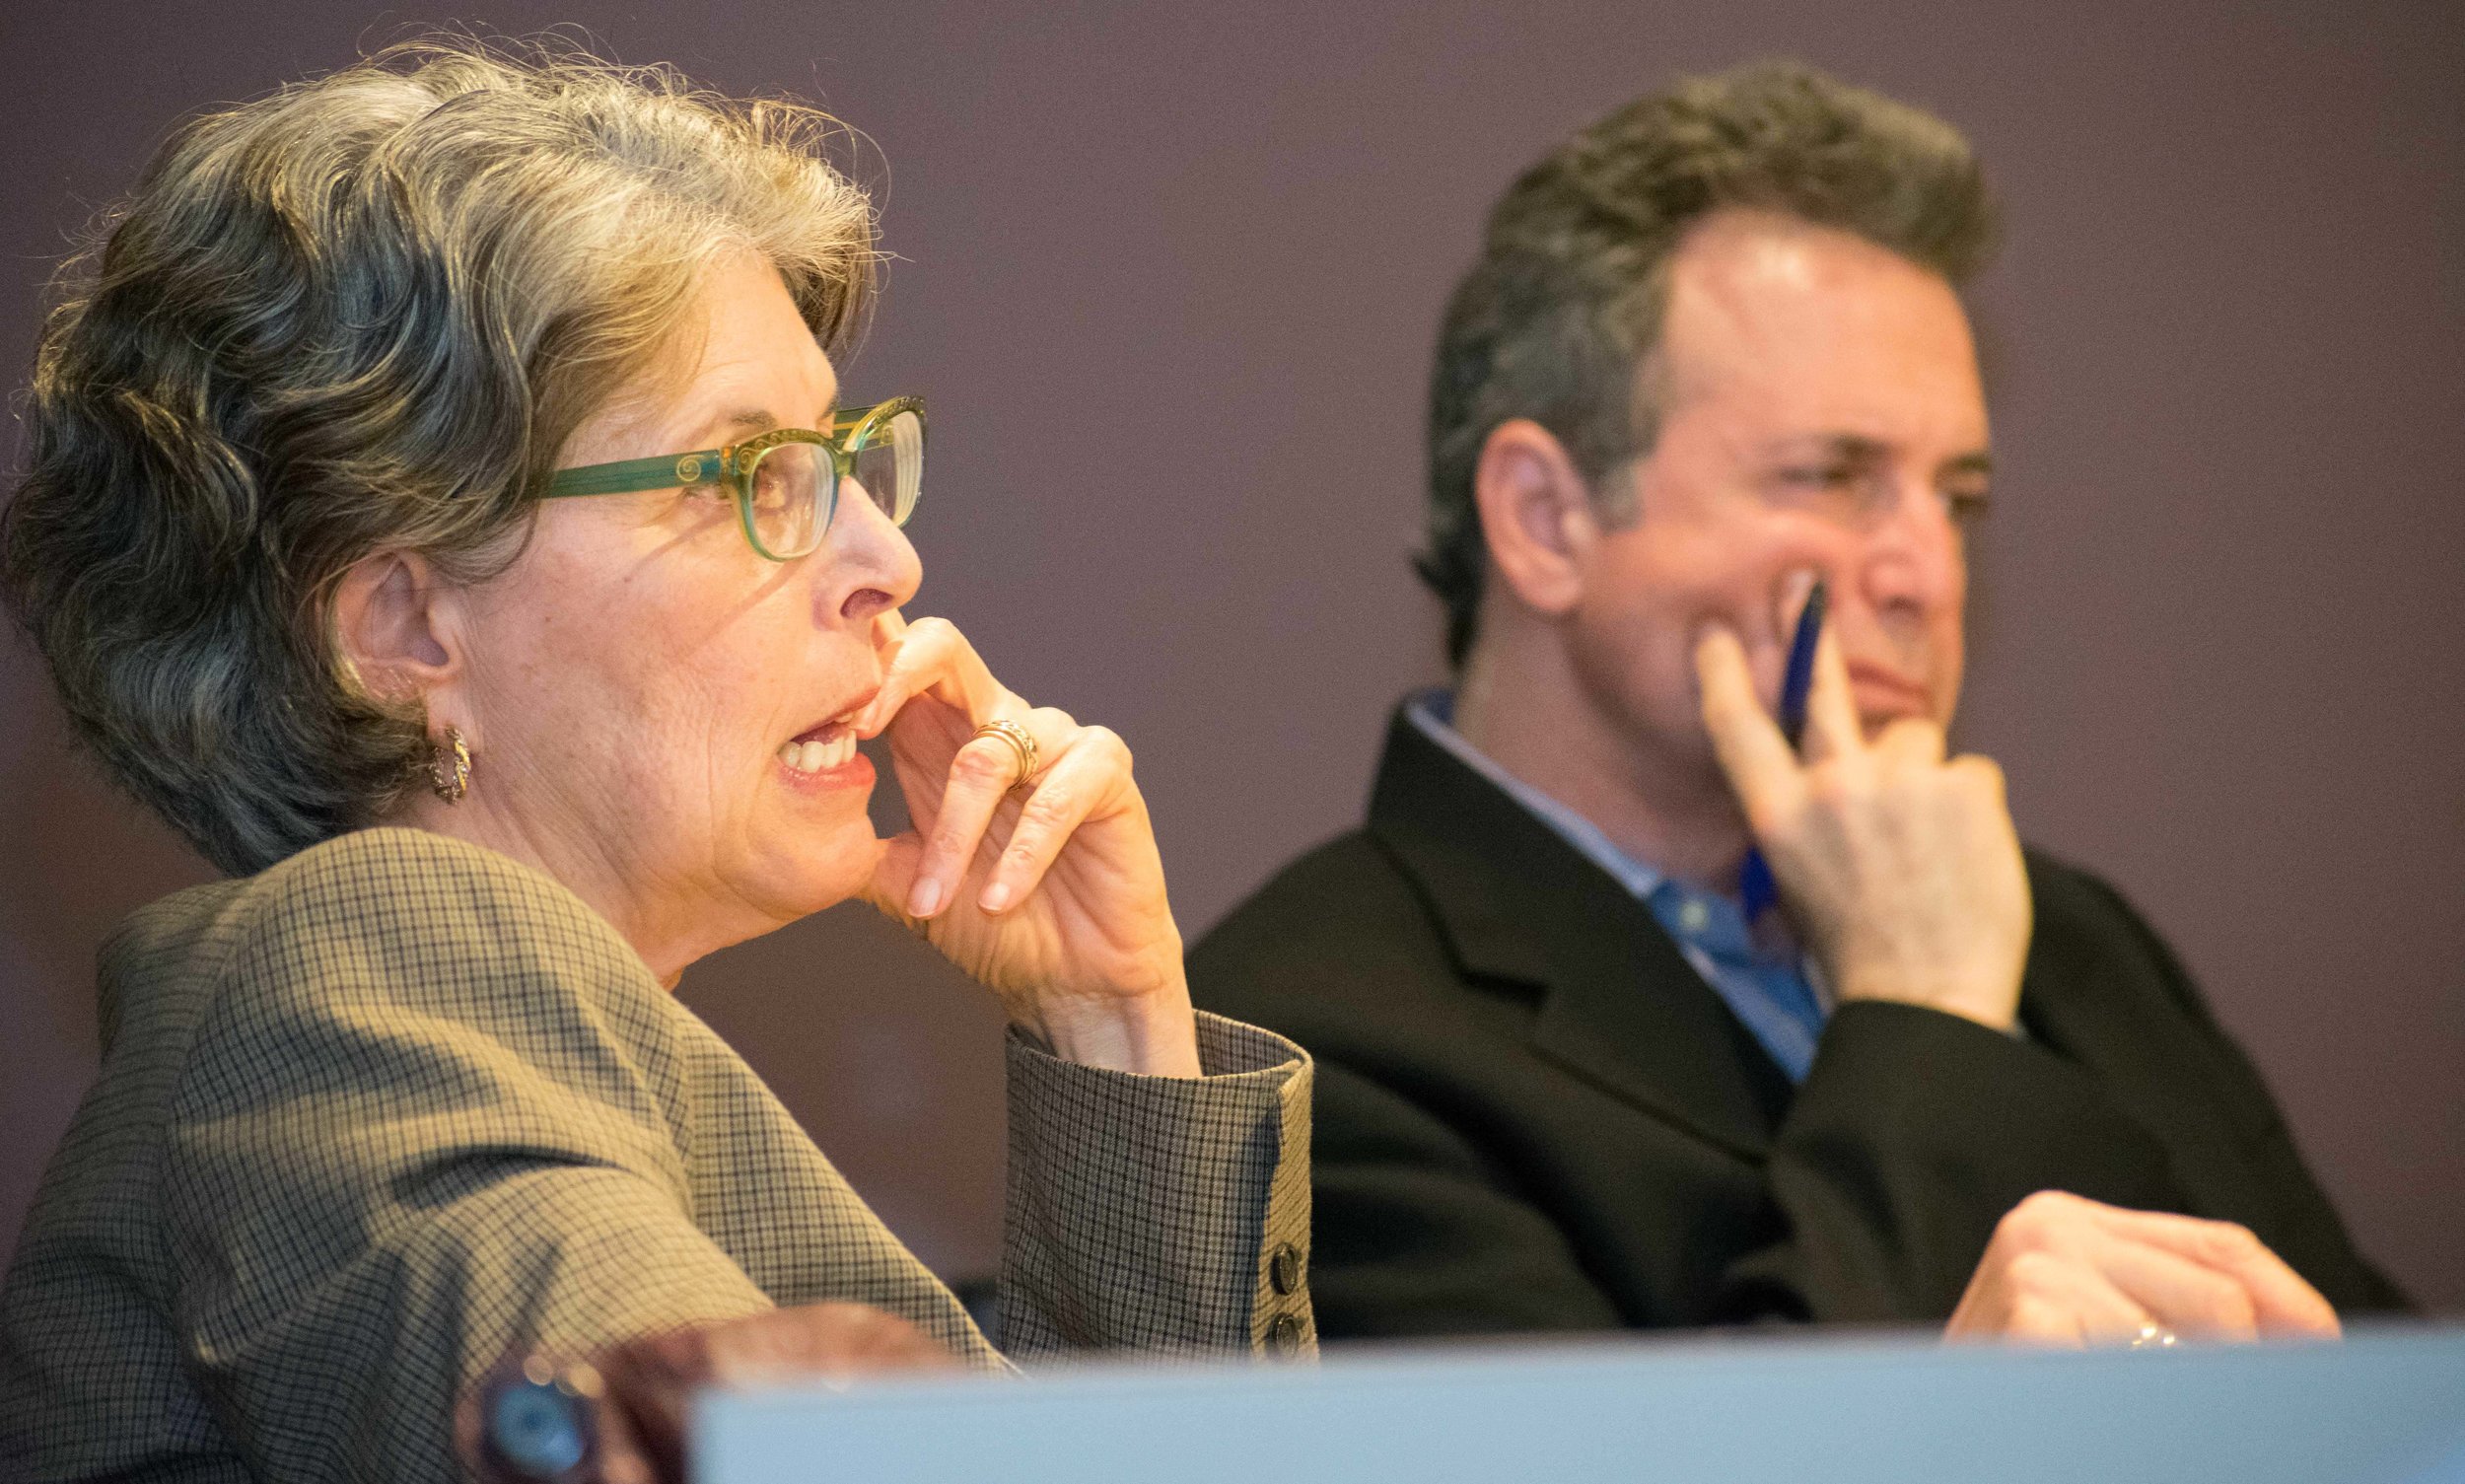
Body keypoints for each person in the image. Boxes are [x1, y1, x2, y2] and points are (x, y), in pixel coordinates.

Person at [0, 41, 1315, 1484]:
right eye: (754, 478)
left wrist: (1118, 1021)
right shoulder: (363, 959)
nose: (888, 557)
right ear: (404, 626)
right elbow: (695, 1454)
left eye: (844, 457)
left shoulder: (511, 1033)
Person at [1189, 62, 2403, 1343]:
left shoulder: (2069, 939)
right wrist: (1926, 1015)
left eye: (1960, 498)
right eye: (1832, 476)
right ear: (1546, 520)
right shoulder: (1296, 1047)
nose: (1929, 576)